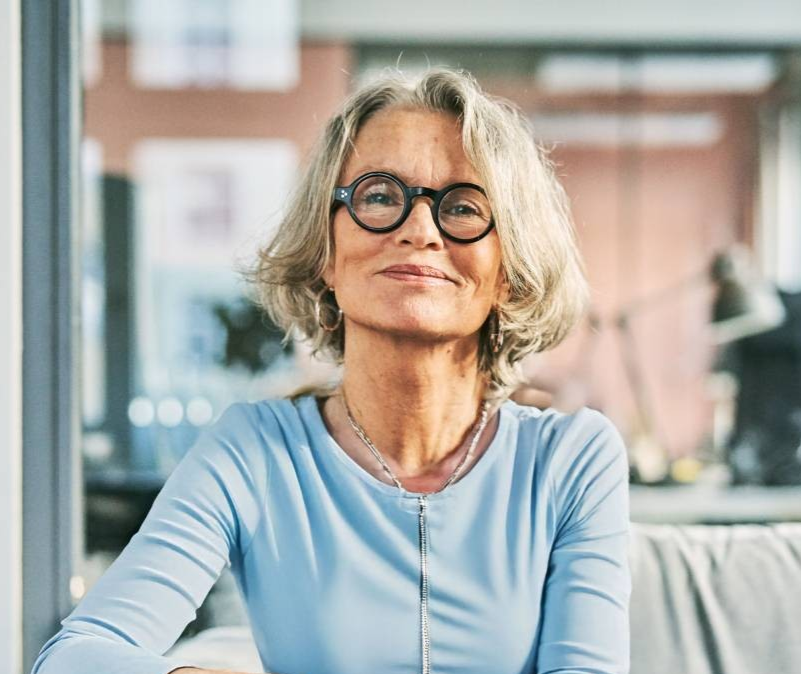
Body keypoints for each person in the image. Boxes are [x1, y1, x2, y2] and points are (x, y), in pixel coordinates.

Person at [32, 68, 631, 674]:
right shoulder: (255, 450)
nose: (419, 230)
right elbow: (74, 658)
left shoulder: (572, 458)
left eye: (464, 207)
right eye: (378, 197)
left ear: (509, 269)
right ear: (325, 255)